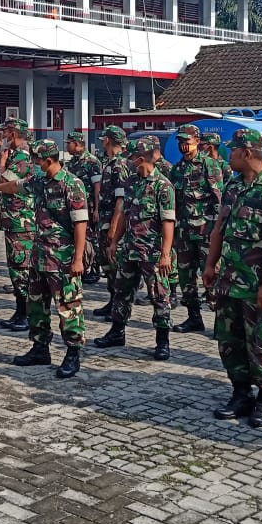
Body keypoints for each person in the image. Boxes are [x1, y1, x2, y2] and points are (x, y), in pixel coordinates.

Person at [202, 129, 262, 427]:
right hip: (228, 281)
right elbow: (219, 229)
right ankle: (240, 393)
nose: (229, 155)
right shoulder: (233, 186)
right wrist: (210, 265)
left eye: (234, 150)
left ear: (248, 153)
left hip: (257, 285)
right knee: (230, 340)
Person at [0, 139, 89, 378]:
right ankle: (39, 348)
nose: (33, 164)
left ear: (49, 160)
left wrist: (78, 259)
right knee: (36, 304)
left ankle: (73, 353)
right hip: (39, 255)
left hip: (63, 258)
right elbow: (15, 186)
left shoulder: (71, 185)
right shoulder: (39, 181)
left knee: (68, 306)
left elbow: (80, 224)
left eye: (37, 160)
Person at [95, 136, 176, 361]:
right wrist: (114, 241)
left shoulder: (163, 186)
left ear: (140, 158)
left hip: (153, 252)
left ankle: (162, 341)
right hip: (130, 249)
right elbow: (124, 215)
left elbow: (168, 221)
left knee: (159, 296)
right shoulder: (131, 182)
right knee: (122, 291)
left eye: (131, 157)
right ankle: (117, 332)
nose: (128, 160)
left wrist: (166, 254)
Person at [170, 123, 224, 335]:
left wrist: (217, 231)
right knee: (186, 276)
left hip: (206, 232)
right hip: (183, 232)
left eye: (187, 142)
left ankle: (221, 320)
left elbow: (219, 200)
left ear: (197, 142)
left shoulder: (209, 165)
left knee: (212, 275)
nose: (184, 146)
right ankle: (194, 318)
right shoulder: (177, 169)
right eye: (181, 142)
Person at [0, 119, 36, 331]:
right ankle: (21, 311)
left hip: (21, 221)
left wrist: (2, 161)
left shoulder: (21, 155)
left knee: (21, 268)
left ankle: (26, 313)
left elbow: (7, 184)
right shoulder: (18, 154)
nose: (2, 137)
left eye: (5, 132)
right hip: (14, 220)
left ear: (12, 134)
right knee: (16, 268)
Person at [92, 126, 131, 320]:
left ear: (108, 140)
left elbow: (121, 201)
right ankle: (112, 301)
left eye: (103, 139)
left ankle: (119, 307)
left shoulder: (119, 165)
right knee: (106, 265)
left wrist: (114, 228)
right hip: (105, 221)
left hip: (111, 222)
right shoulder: (109, 162)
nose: (101, 142)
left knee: (114, 265)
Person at [64, 131, 102, 285]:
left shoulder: (91, 161)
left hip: (89, 206)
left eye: (69, 143)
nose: (67, 146)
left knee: (91, 238)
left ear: (77, 144)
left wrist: (97, 209)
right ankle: (83, 265)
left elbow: (97, 187)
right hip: (75, 206)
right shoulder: (73, 162)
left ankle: (94, 267)